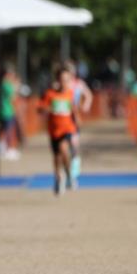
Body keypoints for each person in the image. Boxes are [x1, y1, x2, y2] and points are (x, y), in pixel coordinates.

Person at [38, 66, 79, 196]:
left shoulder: (70, 93)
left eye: (67, 80)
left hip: (67, 129)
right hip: (53, 130)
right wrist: (48, 109)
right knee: (56, 157)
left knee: (64, 150)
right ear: (57, 80)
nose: (64, 83)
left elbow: (73, 109)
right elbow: (40, 108)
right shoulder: (50, 94)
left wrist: (77, 123)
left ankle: (68, 174)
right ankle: (58, 179)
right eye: (62, 80)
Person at [64, 60, 92, 188]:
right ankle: (66, 174)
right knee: (63, 149)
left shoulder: (78, 84)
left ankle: (73, 175)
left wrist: (85, 106)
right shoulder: (60, 85)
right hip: (61, 120)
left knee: (74, 147)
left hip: (73, 119)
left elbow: (88, 95)